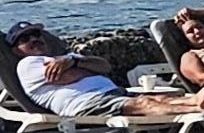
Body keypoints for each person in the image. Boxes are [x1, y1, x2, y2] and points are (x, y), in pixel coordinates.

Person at [10, 24, 141, 122]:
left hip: (115, 94)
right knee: (147, 105)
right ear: (17, 51)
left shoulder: (67, 58)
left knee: (153, 99)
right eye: (25, 39)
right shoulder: (27, 64)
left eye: (36, 35)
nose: (34, 39)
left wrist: (74, 62)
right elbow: (67, 77)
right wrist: (90, 68)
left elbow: (105, 66)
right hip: (89, 105)